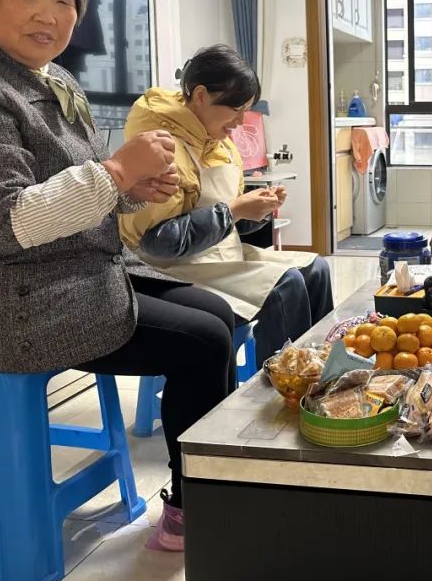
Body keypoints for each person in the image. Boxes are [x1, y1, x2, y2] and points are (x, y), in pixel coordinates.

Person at [0, 0, 237, 552]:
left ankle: (213, 488)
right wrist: (116, 173)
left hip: (70, 272)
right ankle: (193, 509)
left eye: (65, 1)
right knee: (204, 341)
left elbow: (71, 186)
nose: (49, 15)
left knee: (217, 312)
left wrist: (130, 188)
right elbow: (9, 221)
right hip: (8, 302)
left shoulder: (49, 79)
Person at [119, 45, 333, 366]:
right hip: (171, 270)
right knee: (284, 285)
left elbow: (228, 220)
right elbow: (159, 244)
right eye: (236, 108)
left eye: (246, 109)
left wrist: (256, 211)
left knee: (316, 269)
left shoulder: (217, 141)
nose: (241, 121)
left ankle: (321, 371)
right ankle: (282, 384)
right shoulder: (160, 145)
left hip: (216, 257)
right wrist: (234, 210)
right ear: (201, 95)